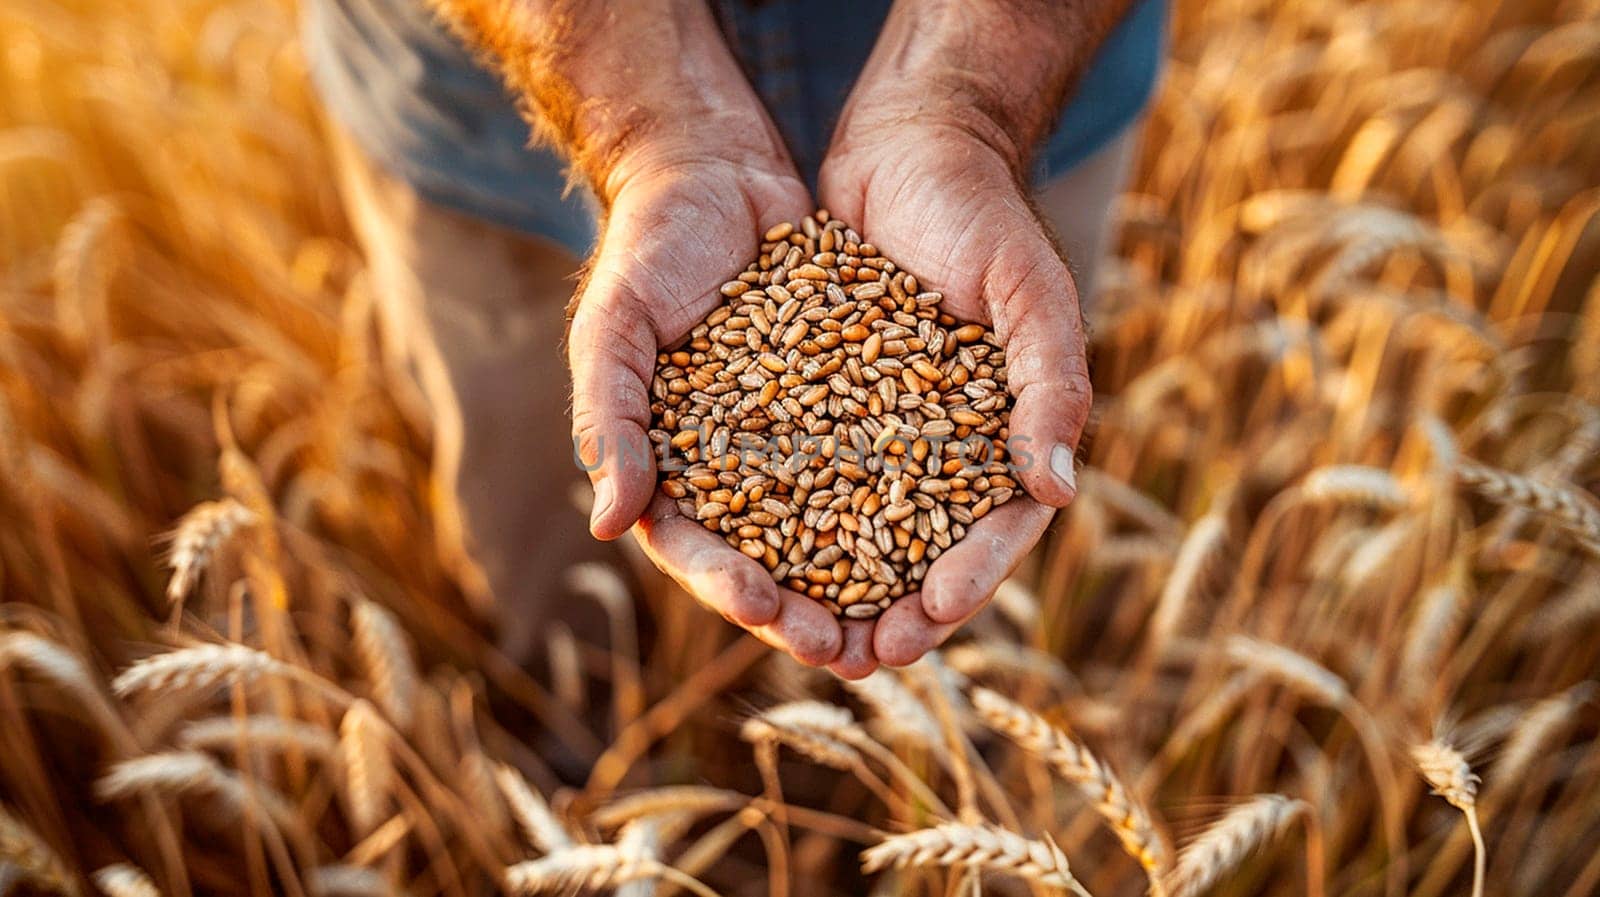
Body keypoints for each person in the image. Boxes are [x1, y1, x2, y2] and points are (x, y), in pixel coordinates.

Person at [302, 0, 1166, 679]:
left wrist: (970, 107)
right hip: (490, 109)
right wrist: (648, 125)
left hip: (1032, 77)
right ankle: (576, 735)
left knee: (990, 589)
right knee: (533, 529)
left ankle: (956, 741)